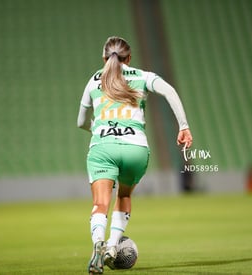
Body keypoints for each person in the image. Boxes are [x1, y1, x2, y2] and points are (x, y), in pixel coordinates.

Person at [77, 36, 193, 274]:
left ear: (104, 58)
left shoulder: (93, 80)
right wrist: (183, 126)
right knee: (124, 195)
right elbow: (170, 91)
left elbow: (80, 122)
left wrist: (99, 128)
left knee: (100, 203)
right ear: (129, 58)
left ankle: (98, 243)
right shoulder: (143, 76)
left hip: (103, 146)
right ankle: (111, 247)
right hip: (135, 147)